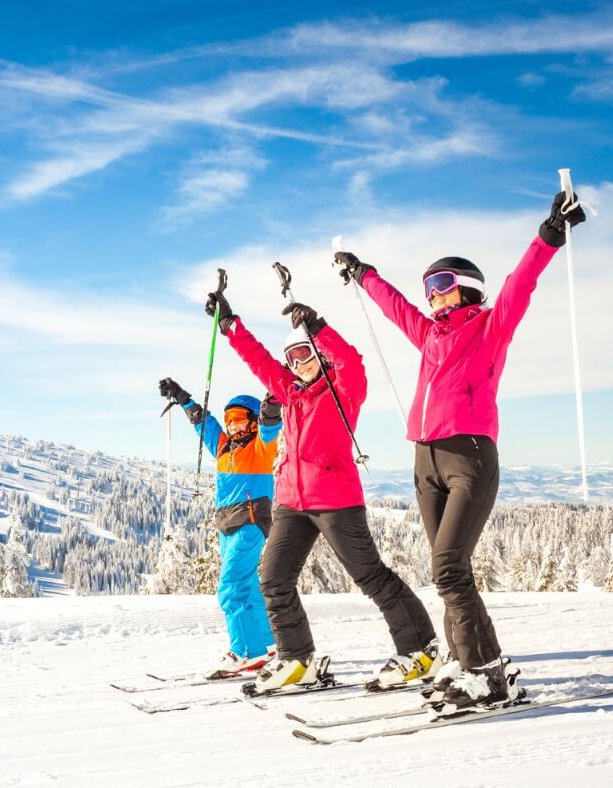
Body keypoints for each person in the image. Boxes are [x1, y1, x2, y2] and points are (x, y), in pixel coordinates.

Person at [333, 190, 588, 708]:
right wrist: (364, 273)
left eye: (443, 285)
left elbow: (521, 286)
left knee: (448, 567)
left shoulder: (490, 328)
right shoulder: (429, 335)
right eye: (429, 288)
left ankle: (484, 673)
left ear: (467, 289)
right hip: (424, 459)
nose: (433, 296)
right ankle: (477, 664)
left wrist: (547, 236)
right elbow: (394, 307)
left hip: (468, 456)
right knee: (448, 569)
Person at [203, 291, 438, 693]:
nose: (297, 363)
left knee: (370, 576)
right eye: (292, 358)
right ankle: (297, 660)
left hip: (335, 501)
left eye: (306, 355)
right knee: (273, 579)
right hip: (292, 502)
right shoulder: (290, 393)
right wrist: (231, 325)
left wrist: (318, 327)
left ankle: (419, 648)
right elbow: (259, 361)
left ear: (321, 357)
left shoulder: (343, 391)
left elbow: (352, 362)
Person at [158, 380, 280, 679]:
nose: (233, 425)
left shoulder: (261, 448)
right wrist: (184, 398)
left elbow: (270, 426)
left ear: (252, 421)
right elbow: (204, 424)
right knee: (247, 585)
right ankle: (270, 644)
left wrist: (271, 406)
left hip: (250, 523)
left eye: (239, 419)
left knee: (231, 588)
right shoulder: (225, 448)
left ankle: (246, 653)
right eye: (230, 420)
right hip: (227, 526)